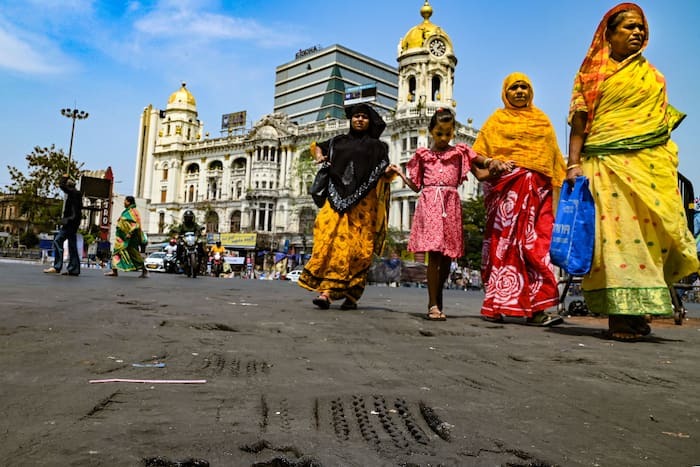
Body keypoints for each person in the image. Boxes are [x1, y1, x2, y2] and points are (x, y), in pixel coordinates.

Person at [566, 3, 698, 340]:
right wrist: (573, 164)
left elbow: (658, 128)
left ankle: (638, 311)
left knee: (648, 241)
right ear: (608, 35)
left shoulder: (653, 77)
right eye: (628, 27)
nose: (637, 32)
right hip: (605, 168)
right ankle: (620, 316)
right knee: (615, 242)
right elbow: (579, 126)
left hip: (647, 170)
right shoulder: (590, 75)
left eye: (640, 27)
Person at [395, 108, 510, 320]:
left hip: (451, 205)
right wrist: (401, 174)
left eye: (448, 133)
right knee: (435, 256)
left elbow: (482, 173)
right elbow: (416, 186)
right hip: (430, 204)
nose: (443, 138)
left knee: (447, 257)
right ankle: (432, 304)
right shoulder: (423, 156)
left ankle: (438, 299)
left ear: (453, 132)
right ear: (431, 131)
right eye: (439, 133)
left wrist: (498, 168)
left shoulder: (460, 152)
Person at [472, 72, 567, 326]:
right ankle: (497, 304)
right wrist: (493, 164)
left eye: (525, 87)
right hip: (507, 195)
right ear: (506, 92)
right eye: (514, 87)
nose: (520, 92)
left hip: (539, 193)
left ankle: (538, 309)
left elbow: (555, 159)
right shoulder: (496, 121)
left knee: (537, 247)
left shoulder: (542, 121)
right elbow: (476, 156)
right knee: (504, 246)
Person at [298, 103, 396, 310]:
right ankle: (326, 293)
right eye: (356, 116)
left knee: (359, 252)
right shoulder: (338, 141)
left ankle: (352, 295)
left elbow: (382, 172)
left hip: (363, 207)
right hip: (334, 201)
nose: (359, 119)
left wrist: (389, 173)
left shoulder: (377, 147)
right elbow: (317, 146)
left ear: (370, 121)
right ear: (351, 120)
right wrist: (319, 156)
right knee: (328, 241)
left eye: (364, 117)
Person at [44, 174, 82, 276]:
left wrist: (64, 177)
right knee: (72, 245)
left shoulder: (73, 193)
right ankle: (74, 269)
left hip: (70, 223)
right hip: (74, 223)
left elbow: (62, 186)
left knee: (58, 240)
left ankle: (57, 266)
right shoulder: (76, 194)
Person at [105, 196, 147, 278]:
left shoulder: (133, 212)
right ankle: (114, 271)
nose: (124, 202)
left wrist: (130, 233)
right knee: (116, 252)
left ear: (129, 202)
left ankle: (144, 270)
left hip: (130, 238)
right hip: (121, 237)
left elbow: (136, 225)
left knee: (134, 254)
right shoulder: (126, 211)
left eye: (125, 201)